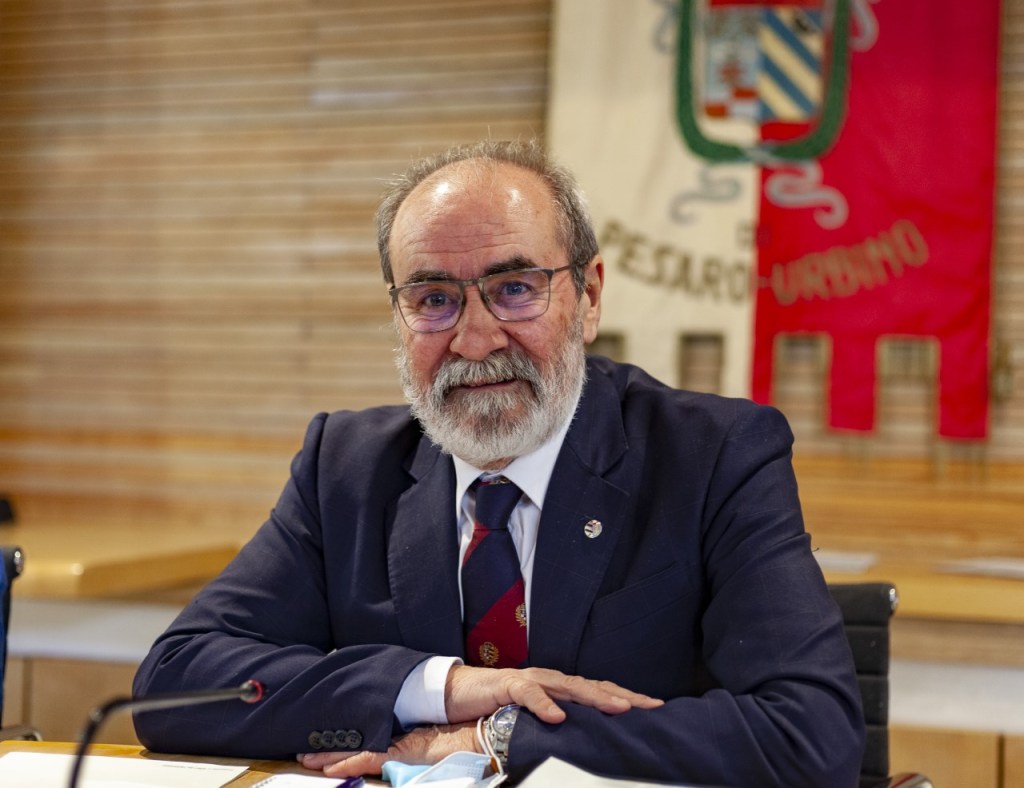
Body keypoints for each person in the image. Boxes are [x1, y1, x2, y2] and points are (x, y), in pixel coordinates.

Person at [132, 139, 864, 786]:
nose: (475, 339)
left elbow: (810, 736)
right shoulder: (347, 466)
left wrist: (498, 738)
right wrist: (442, 690)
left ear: (589, 298)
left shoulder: (714, 455)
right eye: (434, 298)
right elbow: (174, 685)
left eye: (514, 290)